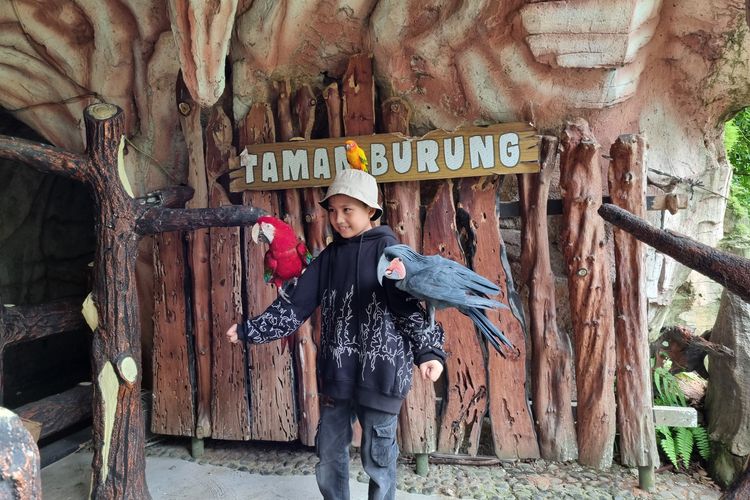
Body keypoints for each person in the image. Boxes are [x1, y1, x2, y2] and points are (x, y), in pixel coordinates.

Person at [226, 168, 446, 500]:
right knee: (328, 457)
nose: (338, 218)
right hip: (338, 377)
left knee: (379, 462)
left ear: (371, 211)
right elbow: (294, 305)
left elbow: (412, 310)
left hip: (382, 378)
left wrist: (429, 354)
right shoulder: (328, 259)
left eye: (348, 210)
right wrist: (249, 330)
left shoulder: (391, 255)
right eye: (332, 210)